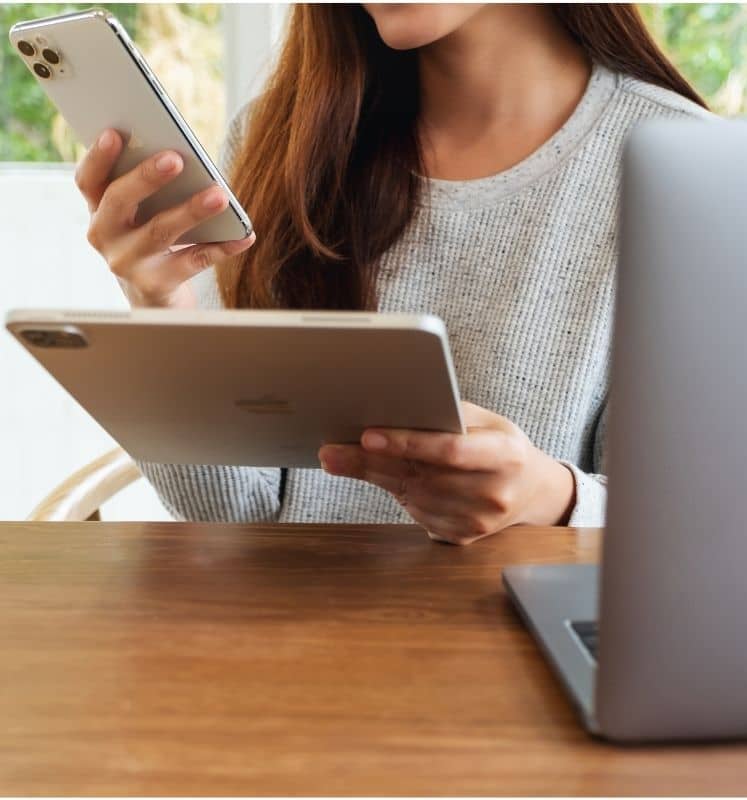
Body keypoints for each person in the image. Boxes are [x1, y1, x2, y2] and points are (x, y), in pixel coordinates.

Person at [74, 3, 710, 544]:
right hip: (281, 651)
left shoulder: (684, 170)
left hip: (514, 666)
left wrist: (552, 498)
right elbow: (230, 512)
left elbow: (700, 537)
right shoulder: (281, 142)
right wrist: (160, 301)